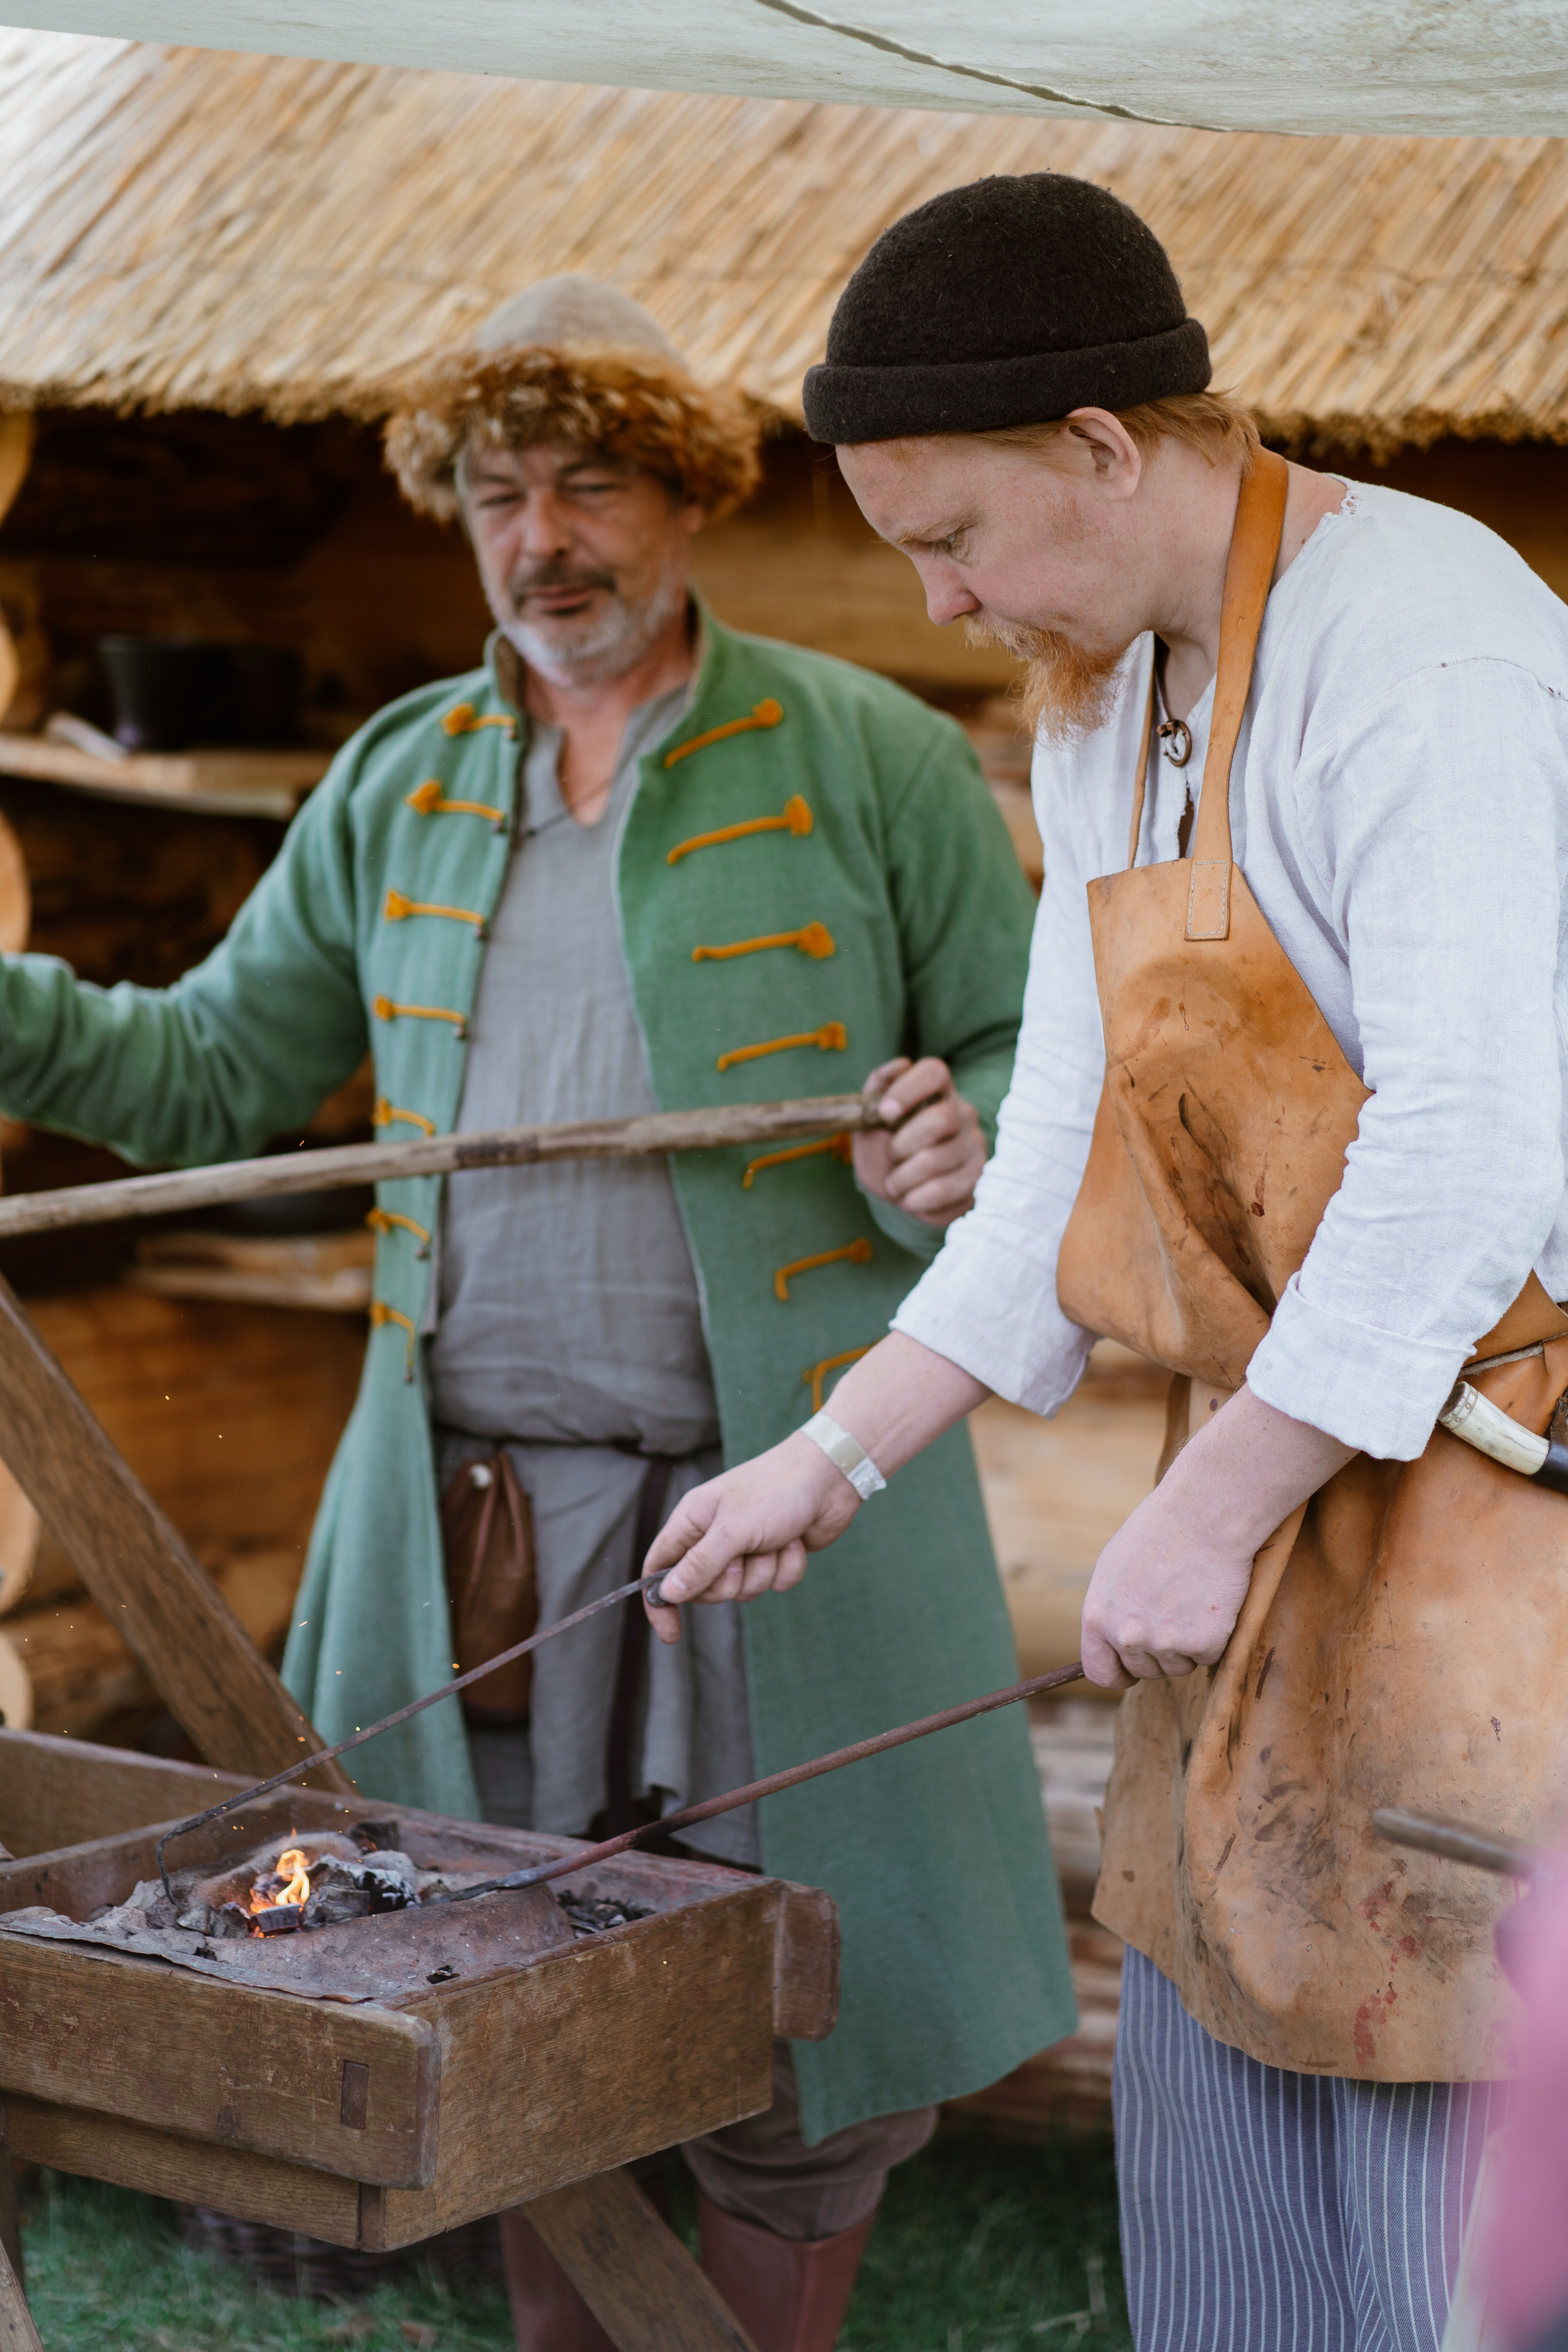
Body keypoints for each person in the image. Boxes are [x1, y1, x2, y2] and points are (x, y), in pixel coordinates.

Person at [0, 276, 1074, 2351]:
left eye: (588, 482)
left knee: (791, 2024)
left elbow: (1042, 1053)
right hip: (483, 1530)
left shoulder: (866, 755)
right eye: (498, 492)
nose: (541, 536)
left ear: (680, 496)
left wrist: (979, 1131)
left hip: (791, 1519)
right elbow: (213, 1074)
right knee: (489, 2007)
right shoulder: (409, 776)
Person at [644, 174, 1568, 2351]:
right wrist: (836, 1457)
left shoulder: (1427, 654)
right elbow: (1057, 1150)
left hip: (1487, 1517)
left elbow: (1470, 1159)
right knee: (1226, 2102)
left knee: (1431, 2149)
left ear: (1101, 441)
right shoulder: (1105, 688)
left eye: (952, 533)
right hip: (1274, 1504)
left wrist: (1214, 1500)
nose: (939, 594)